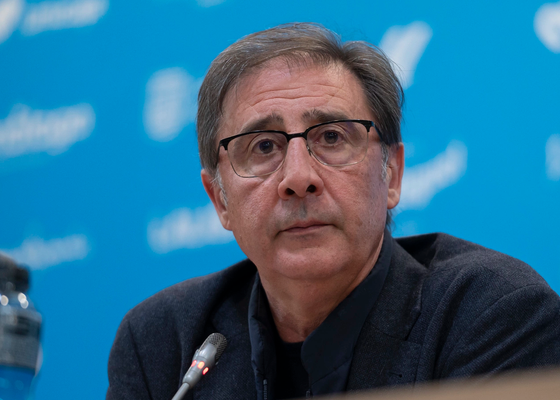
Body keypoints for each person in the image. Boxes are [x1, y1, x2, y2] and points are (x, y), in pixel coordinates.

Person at [106, 23, 560, 400]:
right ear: (220, 199)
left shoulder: (491, 314)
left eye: (331, 138)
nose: (298, 177)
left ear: (392, 174)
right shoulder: (161, 344)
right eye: (263, 147)